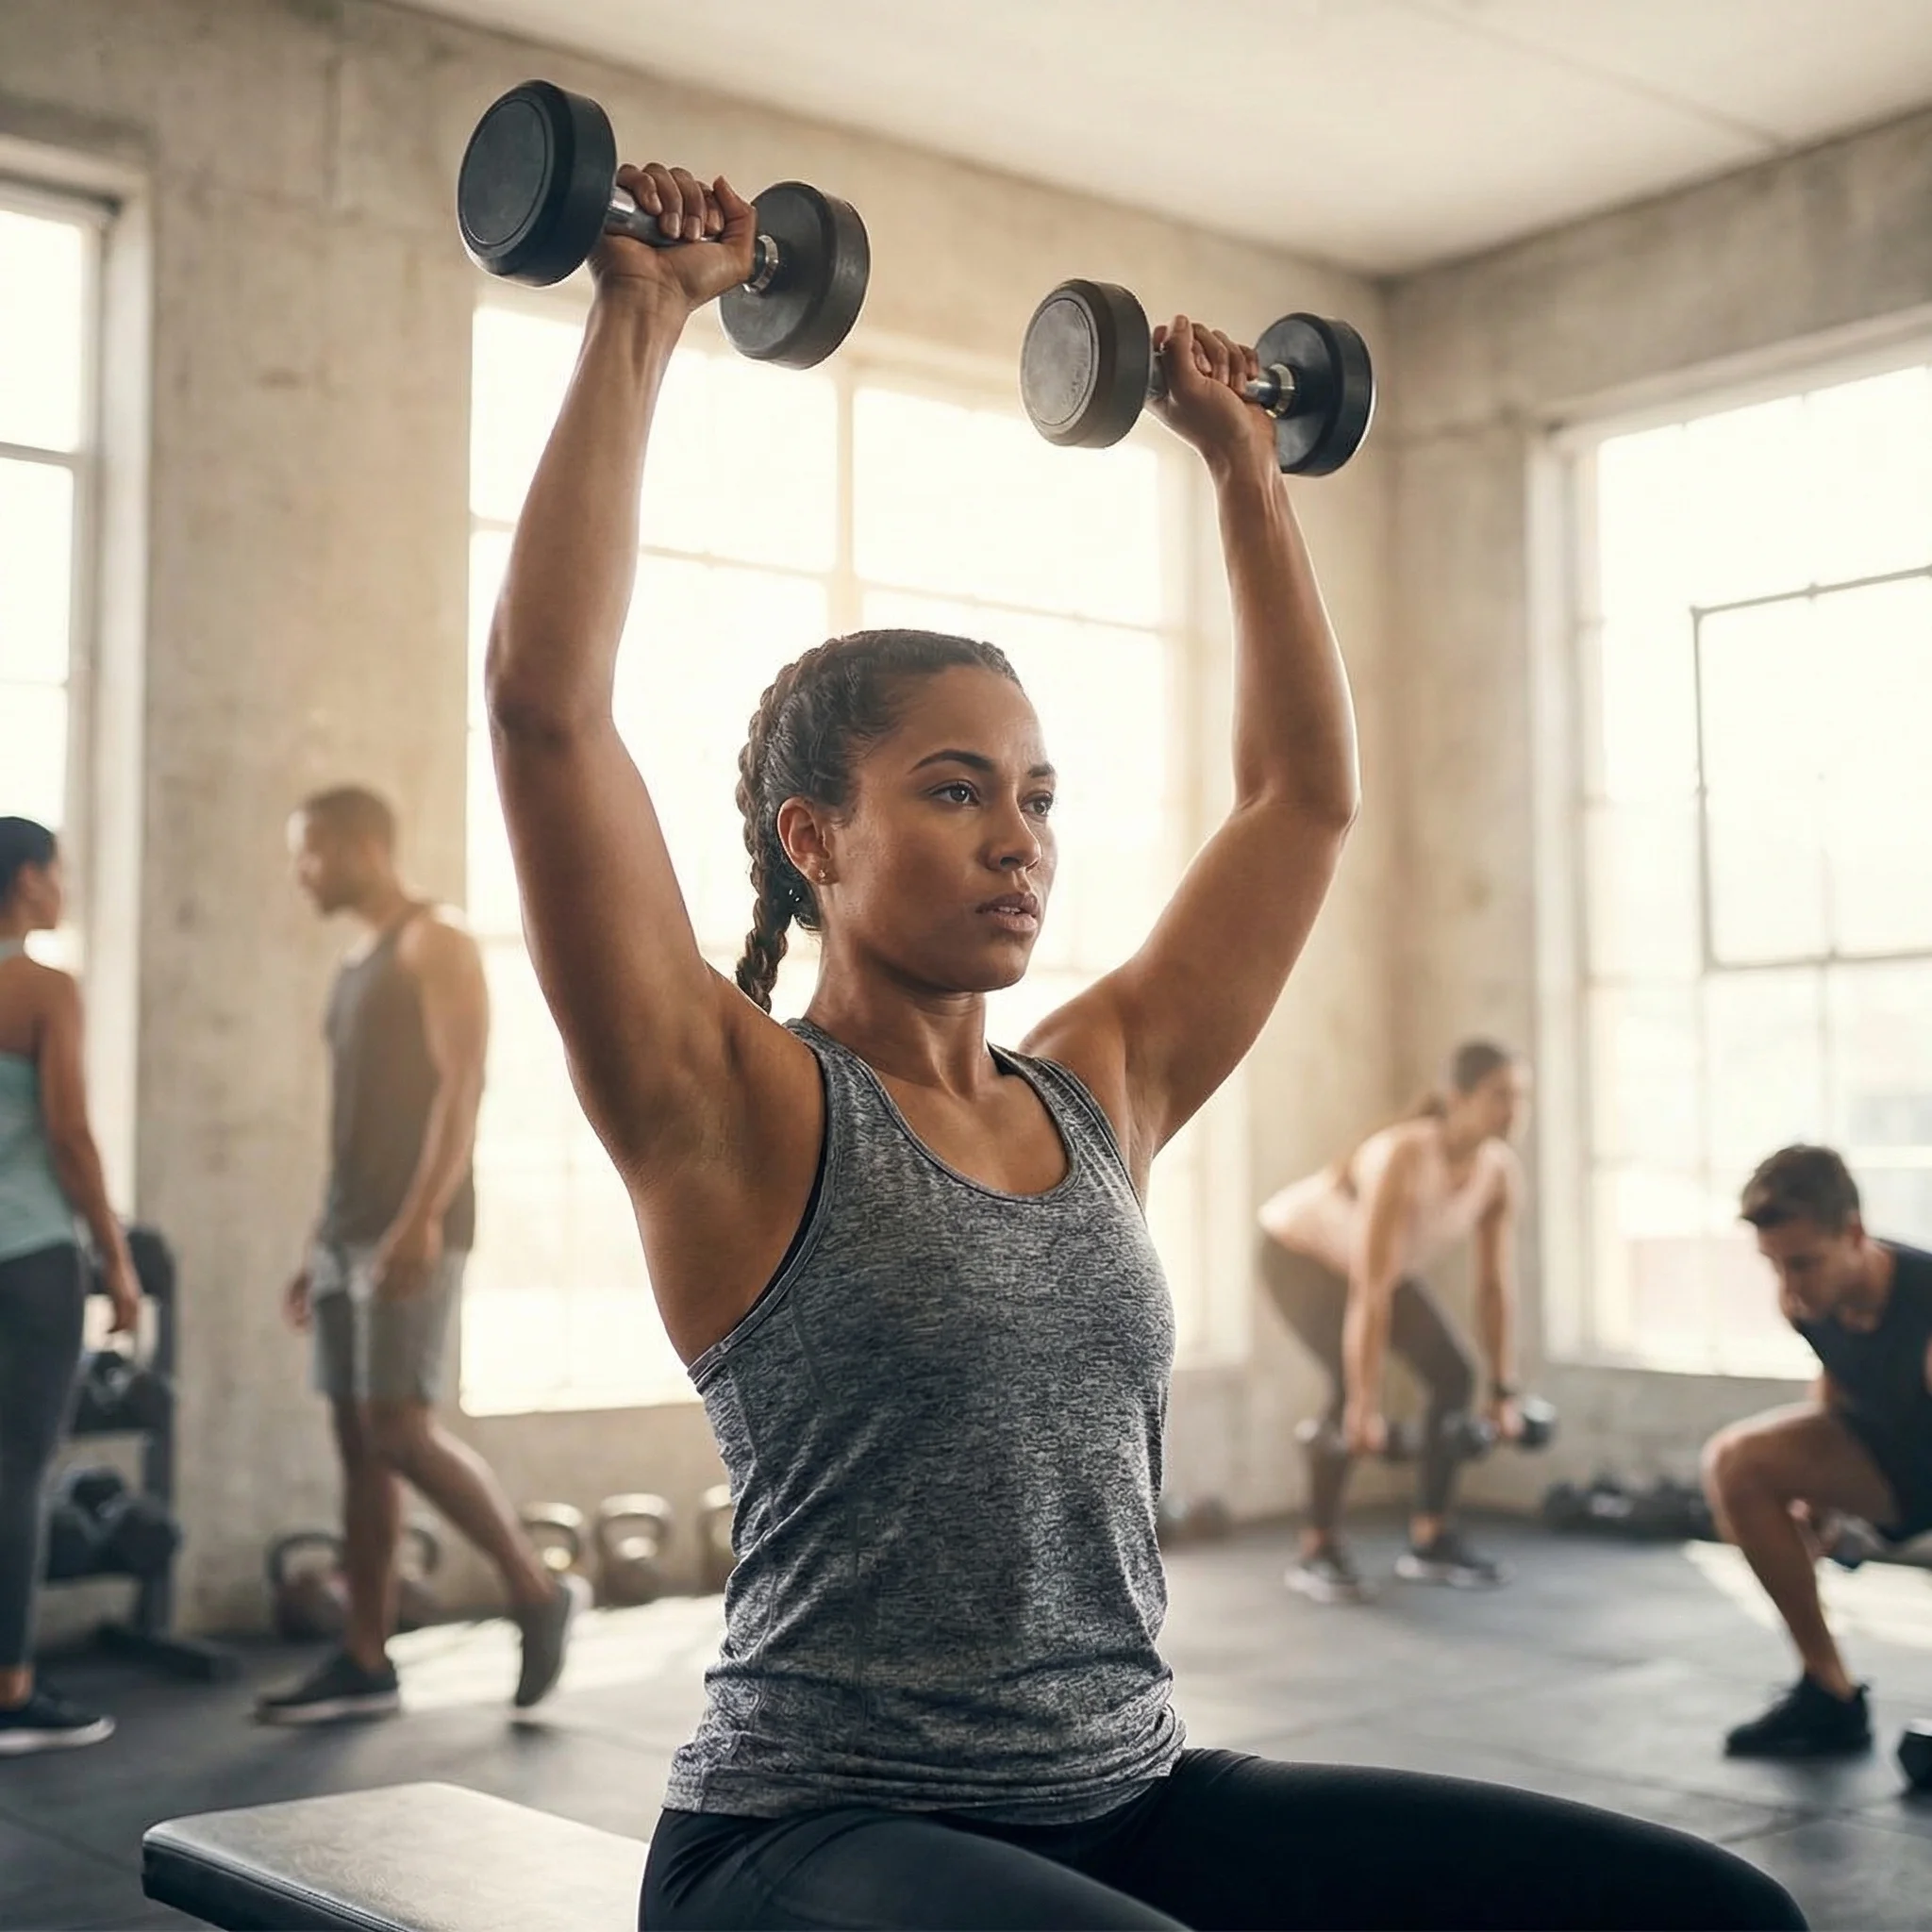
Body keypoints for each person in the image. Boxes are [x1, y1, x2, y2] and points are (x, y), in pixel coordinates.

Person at [486, 161, 1803, 1931]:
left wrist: (1244, 464)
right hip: (805, 1835)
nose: (1017, 837)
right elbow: (546, 710)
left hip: (1123, 1793)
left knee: (1707, 1914)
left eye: (1035, 794)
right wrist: (641, 311)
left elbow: (1300, 800)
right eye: (952, 793)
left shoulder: (1091, 1085)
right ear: (815, 840)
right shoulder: (729, 1102)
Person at [258, 786, 583, 1724]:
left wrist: (419, 1216)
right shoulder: (356, 961)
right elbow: (351, 1124)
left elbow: (462, 1085)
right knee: (358, 1446)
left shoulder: (432, 939)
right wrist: (317, 1239)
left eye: (312, 850)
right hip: (347, 1226)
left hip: (412, 1225)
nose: (302, 871)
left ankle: (533, 1587)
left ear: (364, 844)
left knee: (398, 1427)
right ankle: (366, 1657)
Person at [1258, 1040, 1528, 1600]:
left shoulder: (1499, 1172)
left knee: (1455, 1374)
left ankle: (1431, 1539)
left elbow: (1495, 1287)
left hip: (1373, 1269)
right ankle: (1318, 1550)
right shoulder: (1401, 1155)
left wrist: (1504, 1391)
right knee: (1345, 1380)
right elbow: (1373, 1290)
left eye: (1521, 1095)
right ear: (1457, 1098)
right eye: (1500, 1095)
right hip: (1297, 1253)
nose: (1515, 1109)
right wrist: (1364, 1403)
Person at [1703, 1144, 1932, 1761]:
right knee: (1736, 1463)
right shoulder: (1806, 1300)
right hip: (1894, 1462)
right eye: (1774, 1266)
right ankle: (1828, 1693)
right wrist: (1820, 1498)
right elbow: (1839, 1383)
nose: (1789, 1287)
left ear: (1854, 1233)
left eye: (1802, 1264)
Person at [0, 817, 141, 1755]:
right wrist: (117, 1259)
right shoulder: (44, 985)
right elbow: (71, 1135)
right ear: (28, 879)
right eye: (58, 871)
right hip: (34, 1255)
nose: (66, 887)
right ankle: (10, 1687)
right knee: (15, 1471)